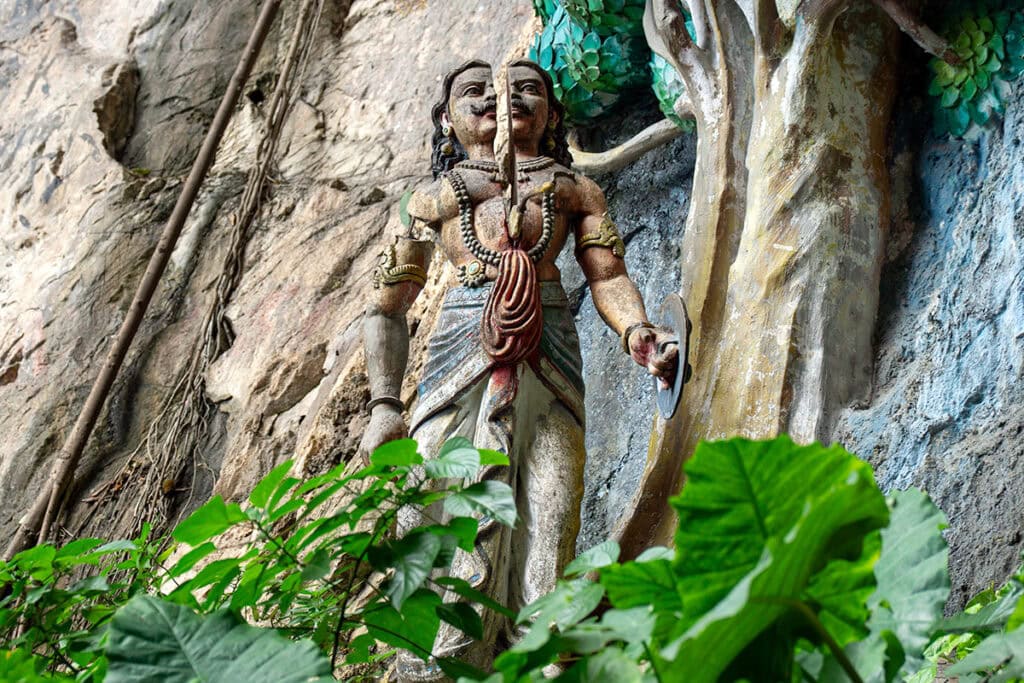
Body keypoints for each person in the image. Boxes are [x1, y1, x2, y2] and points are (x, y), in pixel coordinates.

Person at [359, 59, 678, 678]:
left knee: (549, 516)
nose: (500, 98)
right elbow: (385, 309)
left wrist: (637, 332)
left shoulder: (574, 190)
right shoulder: (430, 199)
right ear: (447, 120)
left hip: (549, 359)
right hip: (456, 361)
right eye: (474, 91)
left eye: (527, 89)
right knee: (427, 507)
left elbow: (608, 275)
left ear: (551, 114)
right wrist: (383, 404)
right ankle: (428, 666)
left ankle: (537, 662)